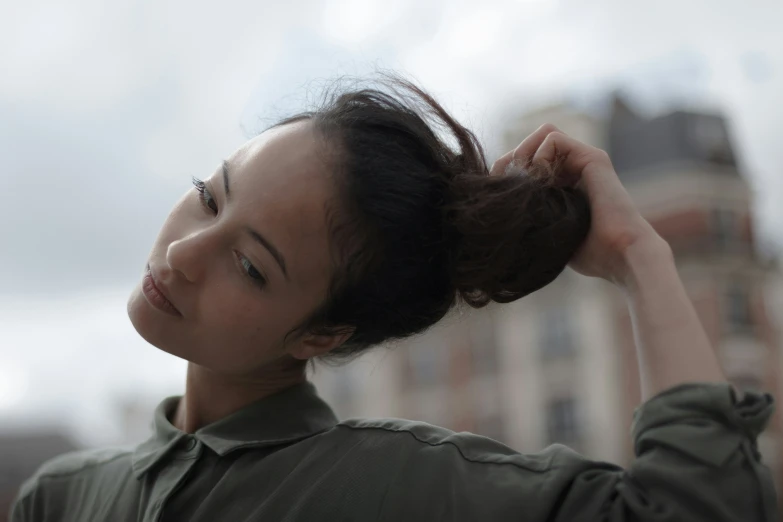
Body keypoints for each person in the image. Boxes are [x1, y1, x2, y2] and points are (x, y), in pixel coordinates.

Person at [10, 74, 777, 522]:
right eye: (208, 197)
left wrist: (640, 257)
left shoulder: (395, 486)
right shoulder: (62, 496)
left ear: (321, 334)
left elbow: (703, 508)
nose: (181, 251)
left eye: (250, 266)